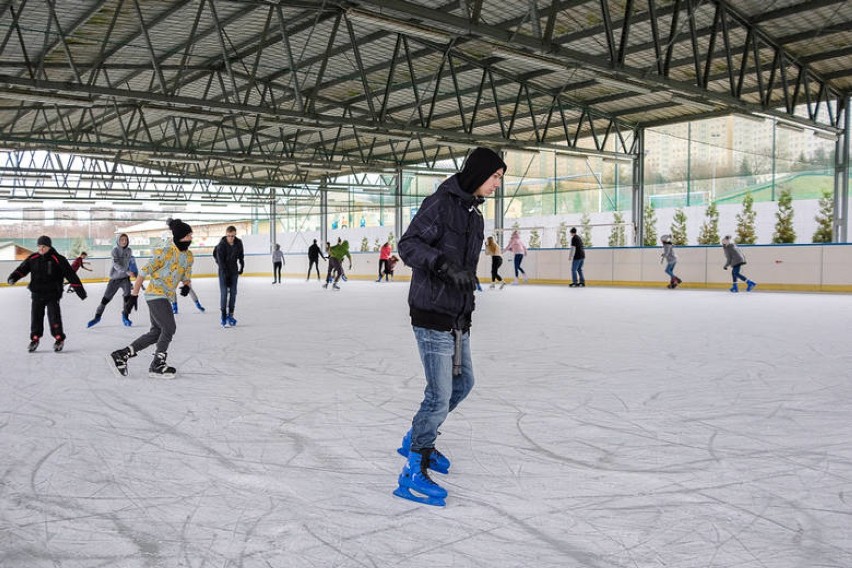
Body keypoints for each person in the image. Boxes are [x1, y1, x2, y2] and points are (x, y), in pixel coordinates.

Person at [394, 147, 506, 507]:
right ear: (478, 174)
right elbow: (408, 245)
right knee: (439, 394)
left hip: (458, 315)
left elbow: (467, 269)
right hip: (430, 311)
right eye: (495, 177)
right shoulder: (440, 204)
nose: (497, 185)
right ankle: (414, 465)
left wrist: (467, 301)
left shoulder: (474, 217)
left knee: (464, 383)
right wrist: (442, 265)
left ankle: (417, 435)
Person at [109, 219, 193, 378]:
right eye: (188, 235)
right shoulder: (165, 252)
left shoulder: (188, 256)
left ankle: (123, 354)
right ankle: (157, 364)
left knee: (156, 332)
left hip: (165, 296)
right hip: (156, 294)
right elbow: (143, 271)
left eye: (190, 235)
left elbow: (185, 275)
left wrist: (187, 285)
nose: (190, 238)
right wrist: (133, 296)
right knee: (169, 328)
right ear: (180, 237)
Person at [7, 235, 87, 352]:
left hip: (52, 294)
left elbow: (70, 275)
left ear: (49, 246)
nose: (41, 249)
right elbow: (22, 269)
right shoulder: (33, 258)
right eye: (39, 246)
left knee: (54, 317)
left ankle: (59, 338)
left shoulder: (58, 259)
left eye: (43, 246)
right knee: (36, 317)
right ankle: (35, 338)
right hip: (37, 293)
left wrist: (80, 291)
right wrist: (13, 277)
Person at [87, 233, 135, 327]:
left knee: (127, 298)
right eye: (122, 240)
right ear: (118, 241)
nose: (124, 242)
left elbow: (129, 263)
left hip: (125, 279)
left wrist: (131, 276)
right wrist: (127, 271)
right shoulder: (115, 251)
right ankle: (97, 317)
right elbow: (116, 265)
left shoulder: (129, 251)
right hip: (115, 279)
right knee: (105, 299)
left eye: (125, 240)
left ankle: (125, 316)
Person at [213, 225, 245, 327]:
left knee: (233, 293)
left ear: (235, 235)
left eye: (233, 236)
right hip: (223, 272)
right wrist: (226, 275)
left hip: (234, 271)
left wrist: (242, 266)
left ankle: (230, 315)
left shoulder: (238, 243)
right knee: (224, 294)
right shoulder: (221, 245)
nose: (231, 238)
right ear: (226, 235)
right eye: (229, 236)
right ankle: (223, 316)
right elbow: (220, 262)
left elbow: (241, 255)